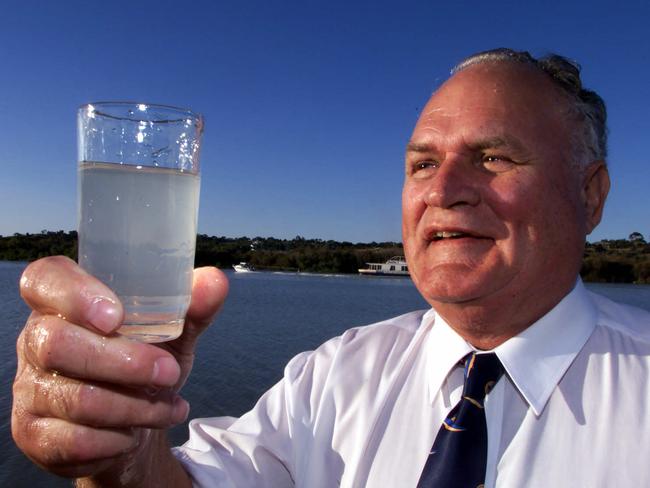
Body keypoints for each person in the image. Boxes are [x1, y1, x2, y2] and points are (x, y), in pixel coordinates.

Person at [12, 48, 650, 487]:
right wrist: (122, 440)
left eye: (492, 158)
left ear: (589, 195)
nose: (444, 188)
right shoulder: (332, 377)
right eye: (422, 164)